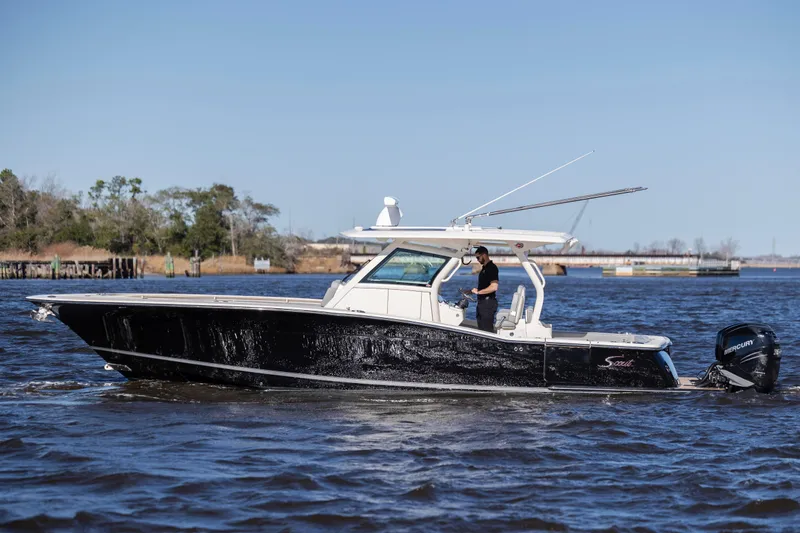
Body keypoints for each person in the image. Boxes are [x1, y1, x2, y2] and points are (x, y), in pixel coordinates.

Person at [471, 246, 499, 332]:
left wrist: (479, 292)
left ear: (484, 255)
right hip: (482, 303)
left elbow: (494, 287)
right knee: (481, 329)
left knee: (487, 330)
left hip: (488, 304)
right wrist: (473, 291)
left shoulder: (492, 268)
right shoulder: (484, 268)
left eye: (478, 257)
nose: (477, 260)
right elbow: (485, 285)